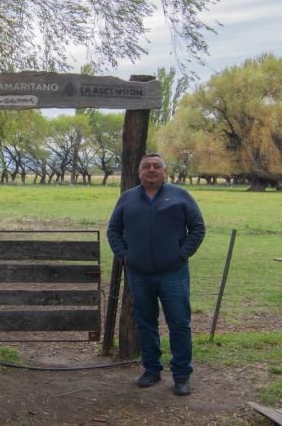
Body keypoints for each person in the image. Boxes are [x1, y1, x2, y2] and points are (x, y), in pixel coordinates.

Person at [107, 153, 206, 396]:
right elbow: (113, 230)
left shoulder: (180, 196)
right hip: (139, 274)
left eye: (156, 166)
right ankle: (151, 370)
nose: (151, 170)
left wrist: (182, 254)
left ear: (165, 171)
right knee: (145, 323)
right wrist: (125, 256)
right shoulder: (127, 199)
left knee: (179, 324)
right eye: (146, 167)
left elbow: (198, 228)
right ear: (139, 172)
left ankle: (182, 375)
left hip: (173, 273)